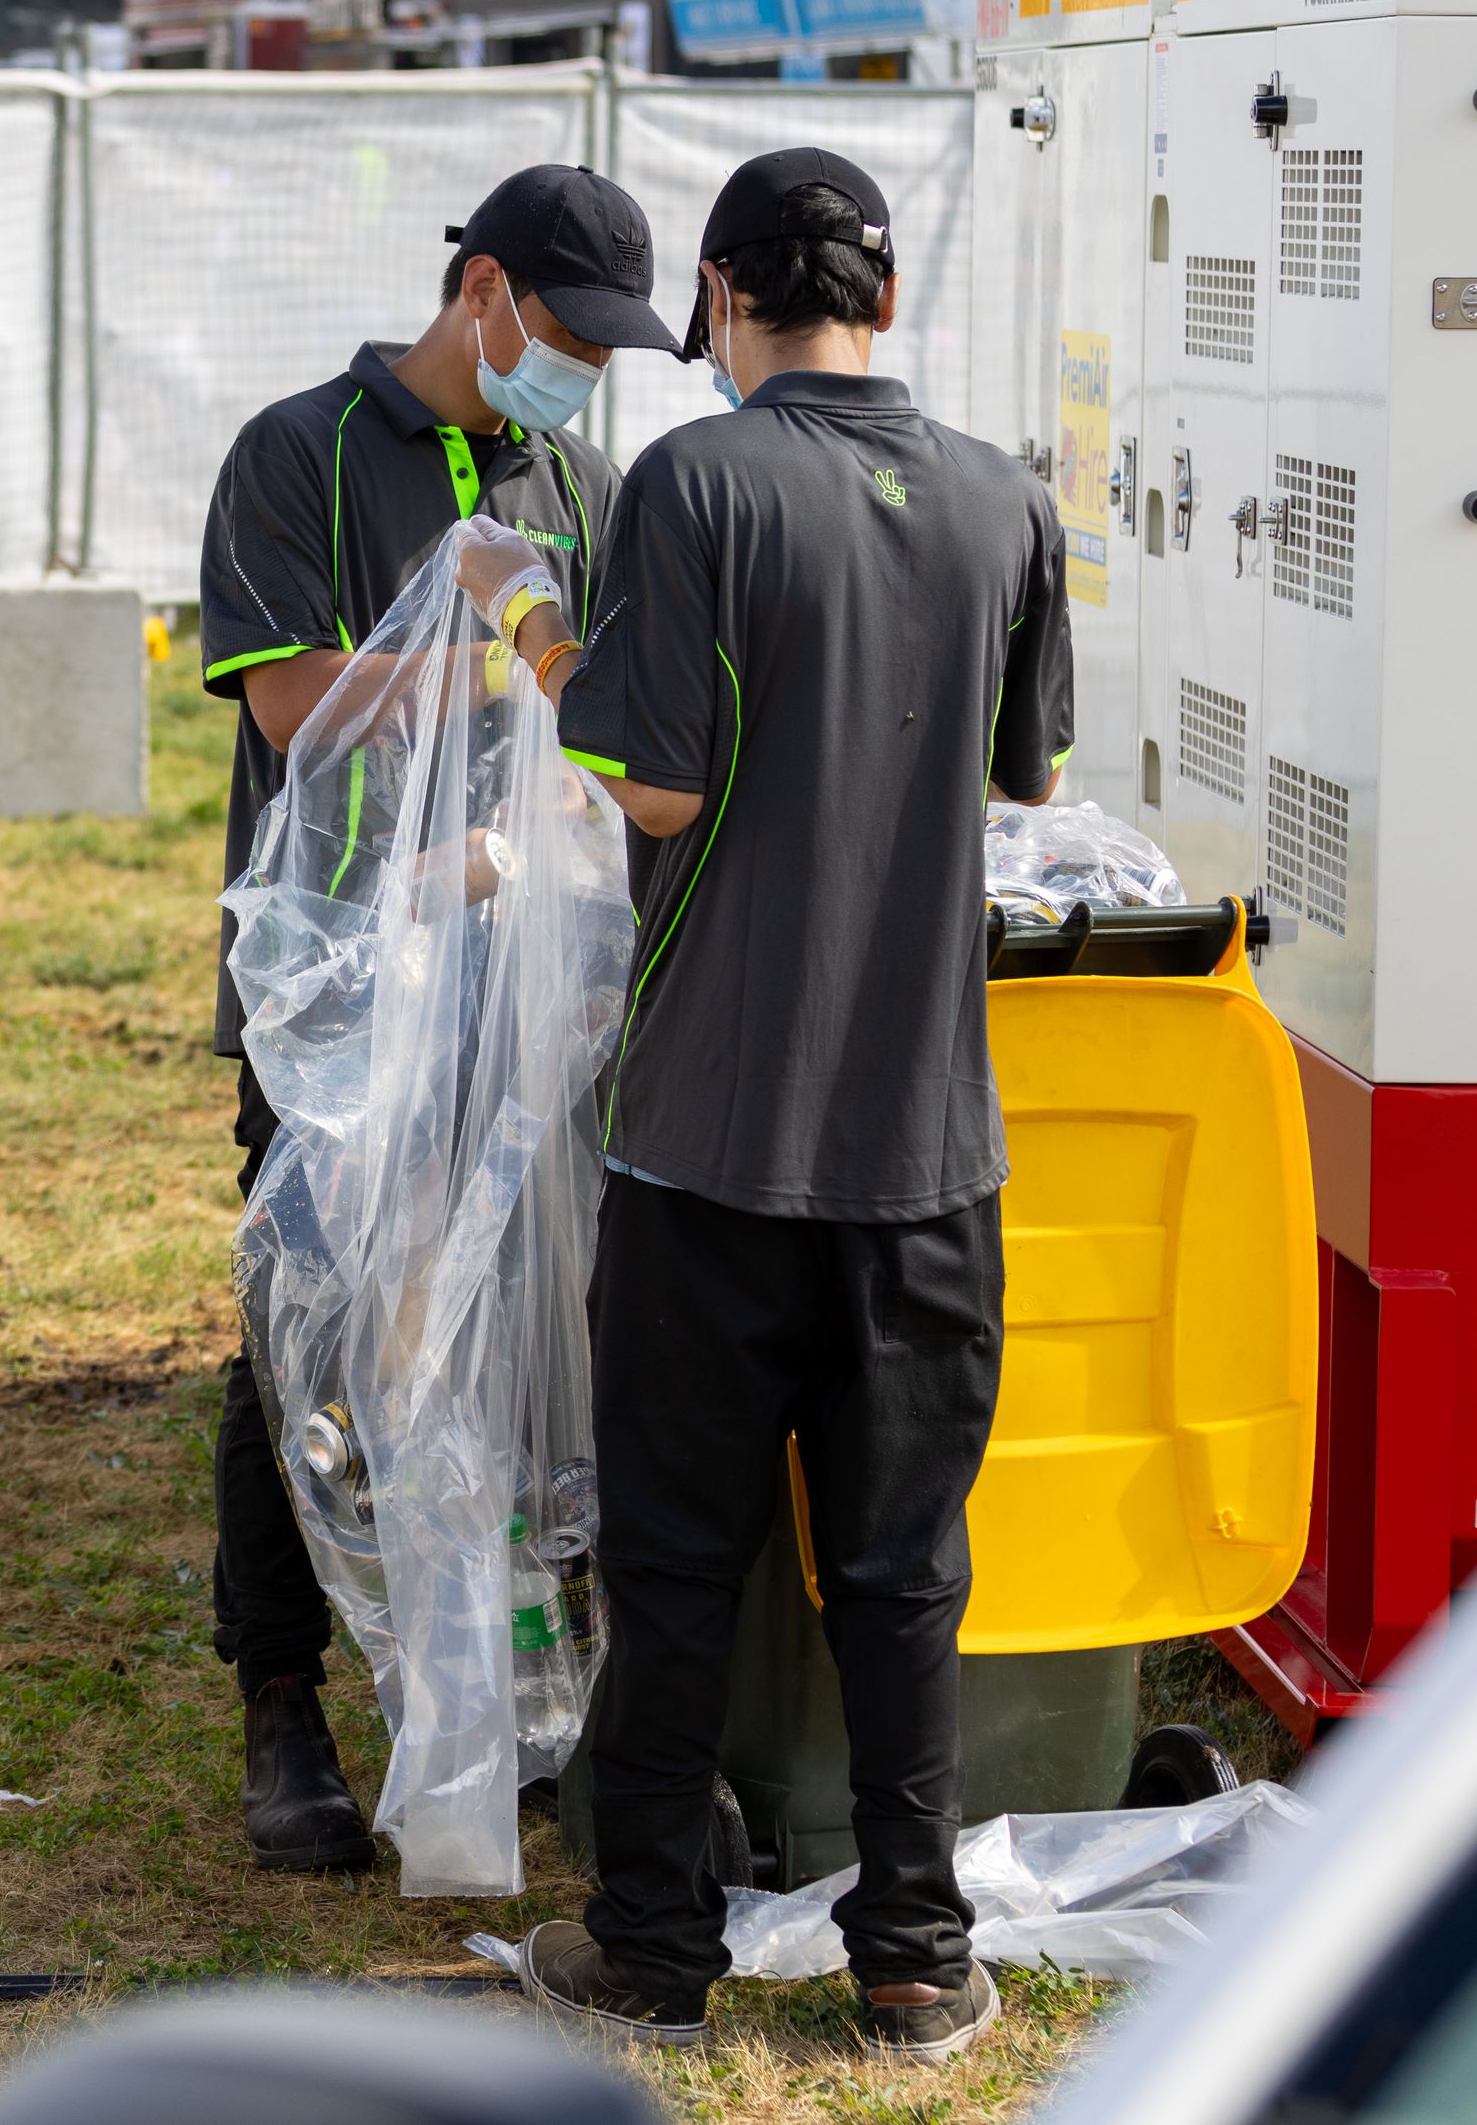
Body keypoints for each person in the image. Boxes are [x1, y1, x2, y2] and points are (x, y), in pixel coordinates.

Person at [456, 148, 1071, 2063]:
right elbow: (1026, 777)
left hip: (709, 1135)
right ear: (883, 301)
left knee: (677, 1556)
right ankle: (912, 1956)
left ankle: (650, 1950)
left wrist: (527, 619)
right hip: (922, 1151)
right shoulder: (1003, 496)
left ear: (720, 295)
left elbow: (648, 784)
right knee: (901, 1575)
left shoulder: (693, 482)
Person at [196, 163, 672, 1870]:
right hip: (348, 980)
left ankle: (499, 1690)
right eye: (563, 333)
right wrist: (465, 628)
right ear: (480, 291)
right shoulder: (296, 455)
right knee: (316, 1329)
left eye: (609, 352)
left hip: (534, 985)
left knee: (529, 1328)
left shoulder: (586, 479)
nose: (581, 373)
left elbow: (617, 706)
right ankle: (283, 1702)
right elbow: (292, 702)